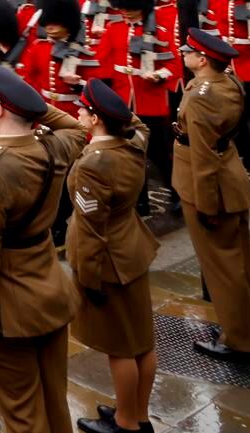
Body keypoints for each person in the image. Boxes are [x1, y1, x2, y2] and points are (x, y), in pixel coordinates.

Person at [0, 64, 86, 433]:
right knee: (54, 401)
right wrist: (36, 107)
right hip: (47, 287)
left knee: (22, 414)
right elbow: (78, 128)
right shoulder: (52, 146)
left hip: (8, 306)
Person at [67, 80, 159, 433]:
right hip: (132, 250)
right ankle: (138, 413)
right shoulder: (133, 142)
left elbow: (91, 230)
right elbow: (139, 125)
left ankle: (125, 423)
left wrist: (88, 278)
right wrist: (117, 113)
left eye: (83, 110)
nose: (77, 113)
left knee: (120, 348)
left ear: (94, 119)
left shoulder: (93, 164)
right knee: (141, 341)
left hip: (109, 263)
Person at [173, 29, 250, 363]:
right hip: (231, 177)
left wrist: (207, 204)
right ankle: (248, 333)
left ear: (202, 59)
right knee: (239, 266)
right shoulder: (229, 83)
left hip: (211, 190)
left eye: (188, 52)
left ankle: (241, 342)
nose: (184, 55)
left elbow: (203, 154)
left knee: (224, 271)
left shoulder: (200, 96)